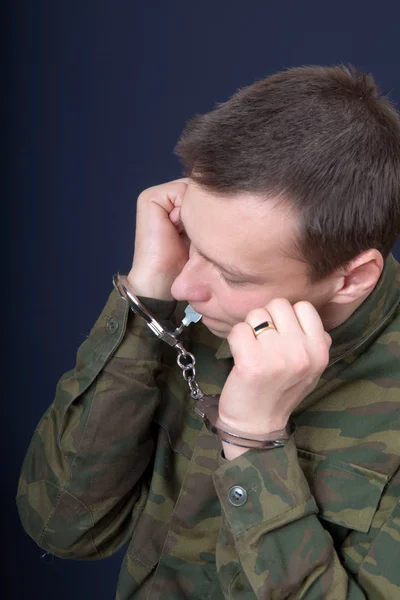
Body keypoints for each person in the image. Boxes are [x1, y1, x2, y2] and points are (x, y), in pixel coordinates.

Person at [17, 65, 400, 599]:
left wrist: (255, 443)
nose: (186, 284)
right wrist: (144, 299)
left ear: (351, 278)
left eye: (234, 274)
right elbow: (63, 525)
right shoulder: (194, 309)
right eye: (190, 238)